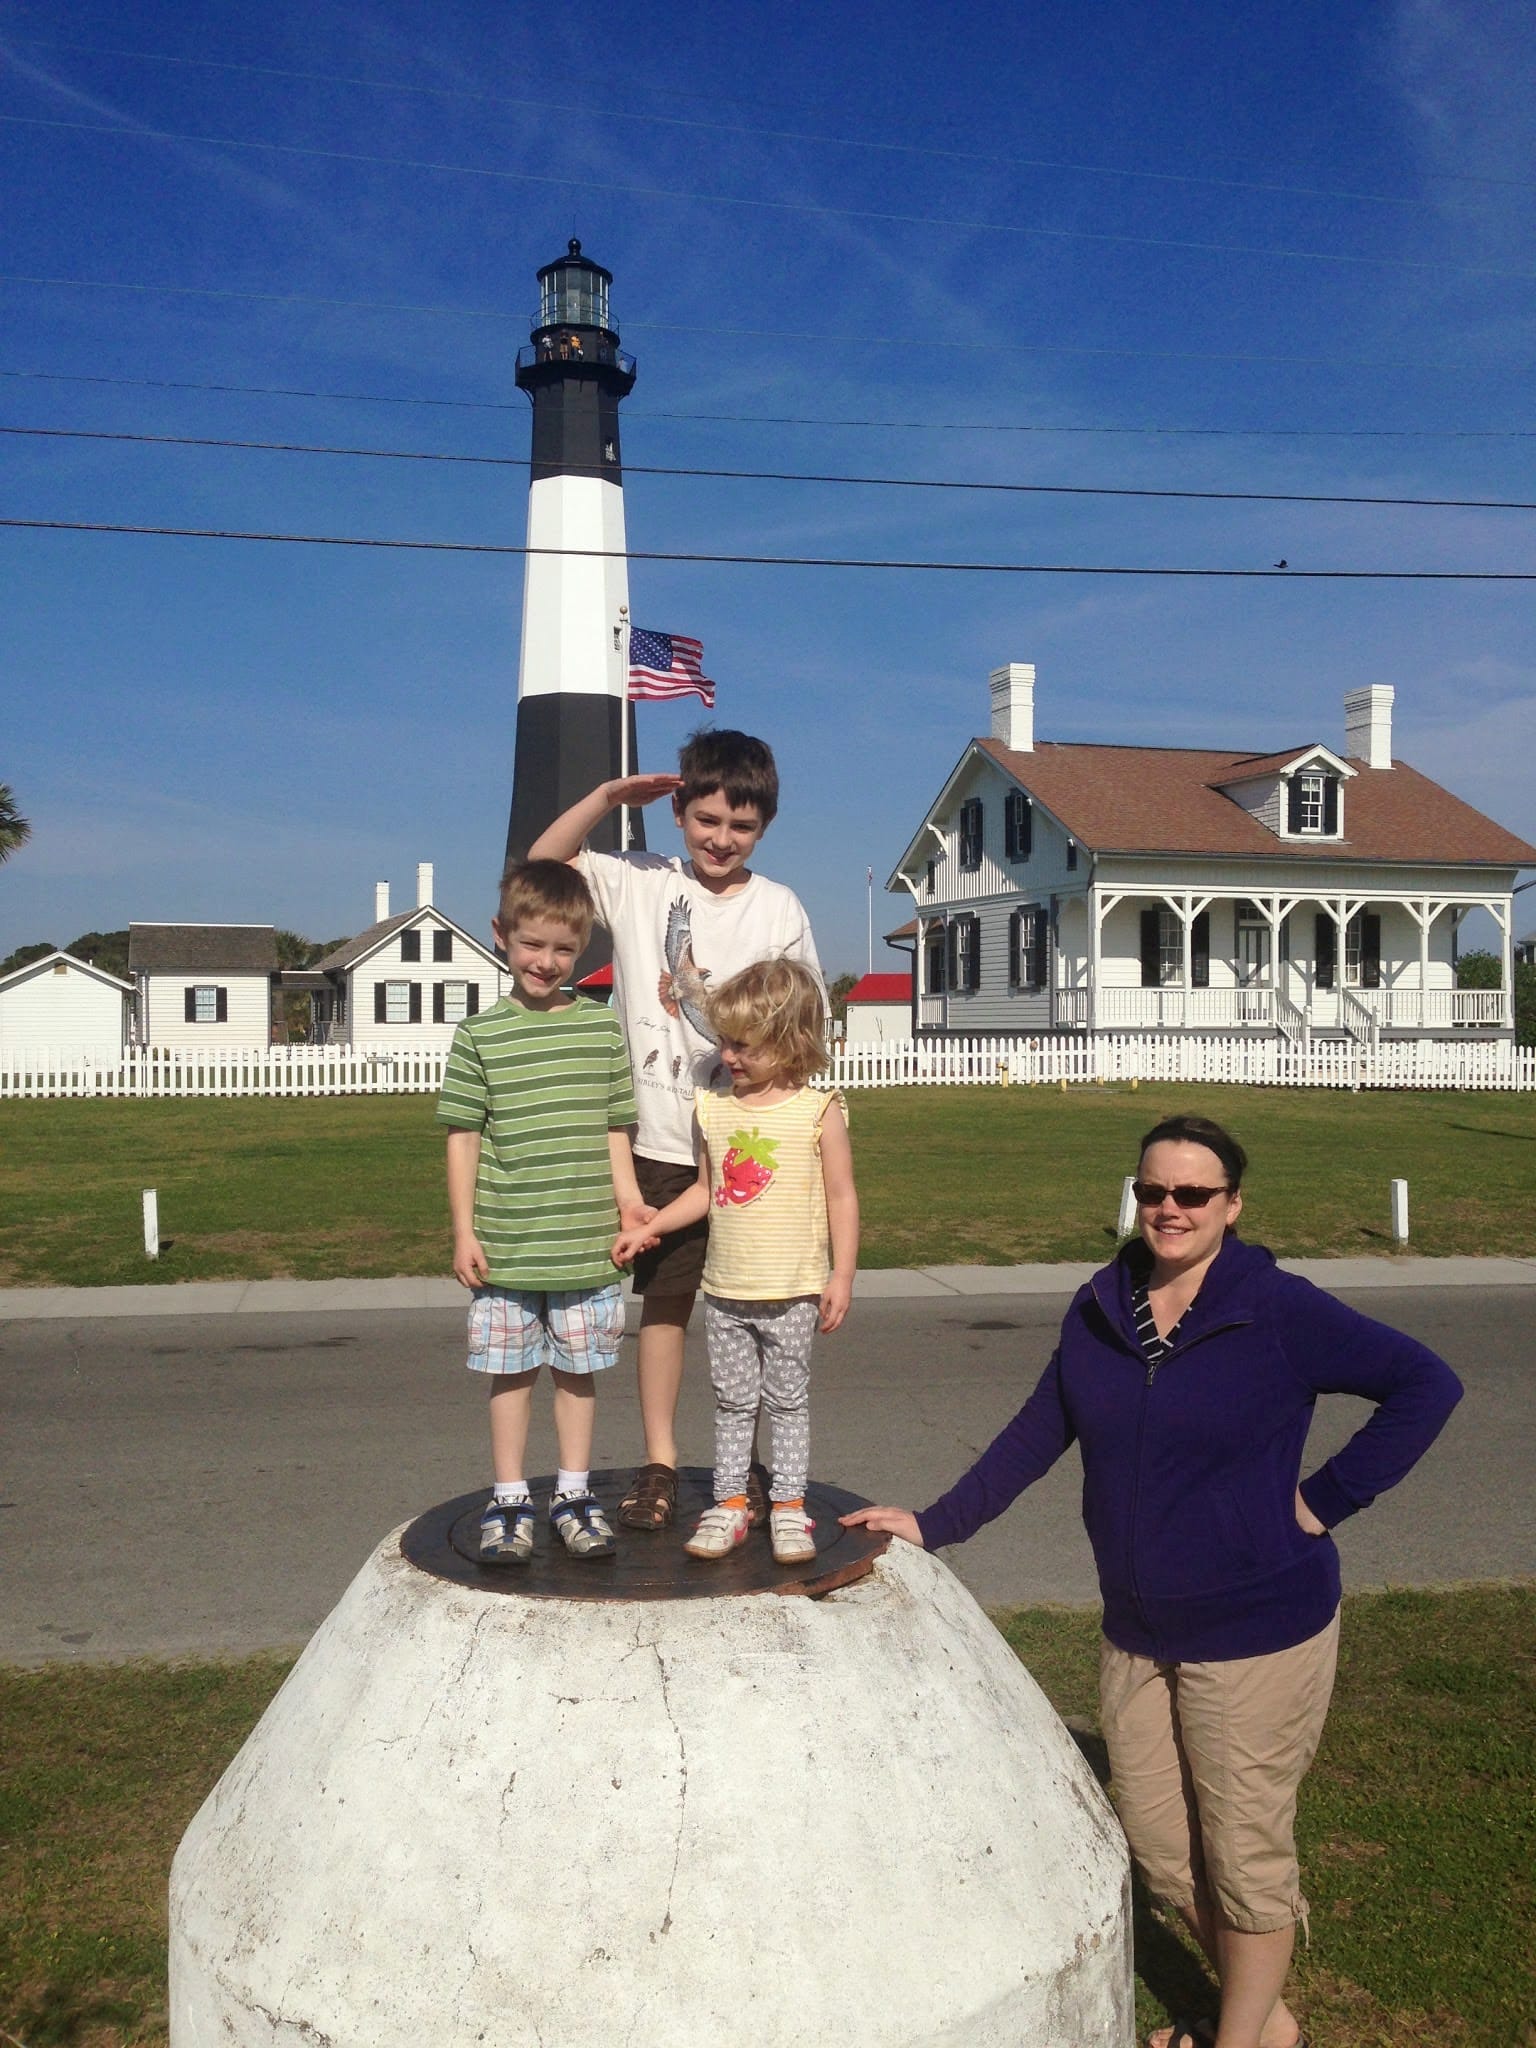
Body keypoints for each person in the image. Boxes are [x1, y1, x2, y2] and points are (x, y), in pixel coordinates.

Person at [843, 1113, 1462, 2048]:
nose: (1169, 1209)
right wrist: (935, 1523)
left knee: (1245, 1859)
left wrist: (1322, 1501)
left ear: (1233, 1205)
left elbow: (1425, 1384)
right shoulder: (1103, 1303)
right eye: (1153, 1191)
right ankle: (1272, 2021)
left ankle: (1241, 2037)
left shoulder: (1277, 1308)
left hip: (1259, 1628)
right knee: (1167, 1852)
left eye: (1192, 1194)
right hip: (1139, 1627)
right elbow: (1037, 1429)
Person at [528, 730, 822, 1532]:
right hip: (652, 1137)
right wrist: (604, 803)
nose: (721, 838)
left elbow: (802, 1023)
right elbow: (541, 869)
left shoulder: (779, 908)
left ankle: (747, 1473)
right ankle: (660, 1463)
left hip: (740, 1148)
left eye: (742, 825)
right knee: (664, 1307)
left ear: (762, 827)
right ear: (681, 810)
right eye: (706, 819)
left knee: (752, 1309)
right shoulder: (637, 879)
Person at [612, 958, 857, 1565]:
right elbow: (704, 1190)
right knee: (731, 1403)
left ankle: (789, 1508)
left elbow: (842, 1195)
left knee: (789, 1403)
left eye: (743, 1045)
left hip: (795, 1290)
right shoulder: (713, 1109)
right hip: (725, 1291)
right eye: (724, 1042)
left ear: (790, 1041)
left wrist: (842, 1274)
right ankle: (730, 1505)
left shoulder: (819, 1109)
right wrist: (654, 1225)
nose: (729, 1055)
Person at [437, 859, 645, 1565]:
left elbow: (617, 1126)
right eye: (532, 944)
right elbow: (464, 1137)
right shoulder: (479, 1037)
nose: (546, 961)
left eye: (563, 948)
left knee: (577, 1373)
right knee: (511, 1374)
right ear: (502, 936)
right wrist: (464, 1231)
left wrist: (628, 1203)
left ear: (581, 948)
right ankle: (508, 1498)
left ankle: (575, 1494)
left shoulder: (600, 1030)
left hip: (586, 1244)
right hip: (507, 1246)